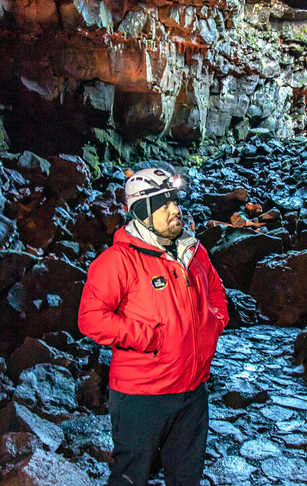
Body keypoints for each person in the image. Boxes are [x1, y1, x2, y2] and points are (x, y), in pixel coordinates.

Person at [78, 167, 228, 486]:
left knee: (186, 477)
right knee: (132, 477)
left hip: (192, 390)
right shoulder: (118, 261)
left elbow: (216, 289)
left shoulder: (194, 251)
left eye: (175, 201)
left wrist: (214, 322)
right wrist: (150, 338)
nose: (176, 210)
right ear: (142, 212)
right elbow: (91, 318)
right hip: (142, 394)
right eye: (164, 204)